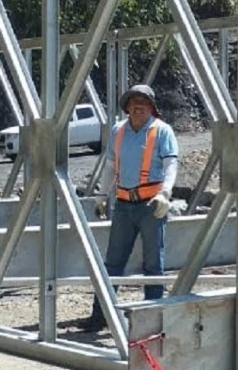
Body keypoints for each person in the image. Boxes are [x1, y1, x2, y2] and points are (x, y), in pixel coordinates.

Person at [78, 84, 179, 332]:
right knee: (113, 262)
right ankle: (100, 316)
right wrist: (102, 195)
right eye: (134, 101)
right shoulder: (119, 131)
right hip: (124, 204)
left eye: (143, 101)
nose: (138, 106)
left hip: (151, 205)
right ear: (127, 107)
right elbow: (111, 166)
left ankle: (152, 318)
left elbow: (170, 165)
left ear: (152, 106)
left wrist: (165, 194)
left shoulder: (161, 131)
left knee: (154, 264)